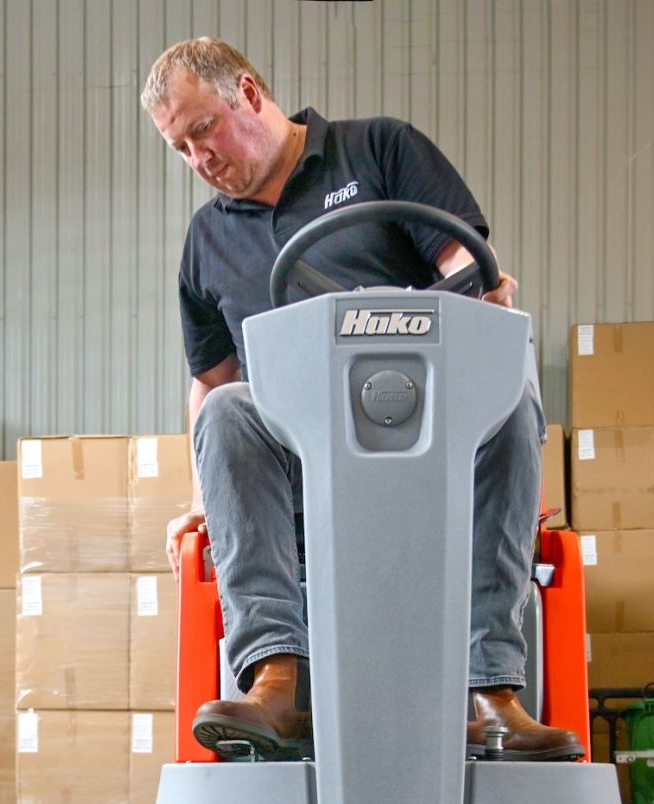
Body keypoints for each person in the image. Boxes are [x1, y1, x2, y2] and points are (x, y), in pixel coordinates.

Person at [141, 37, 582, 761]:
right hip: (304, 472)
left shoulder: (377, 151)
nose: (199, 160)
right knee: (227, 415)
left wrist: (473, 296)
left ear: (248, 94)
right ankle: (275, 678)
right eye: (180, 149)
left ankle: (493, 691)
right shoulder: (206, 240)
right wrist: (199, 496)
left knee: (509, 391)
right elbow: (214, 381)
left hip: (428, 436)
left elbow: (465, 266)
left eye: (203, 131)